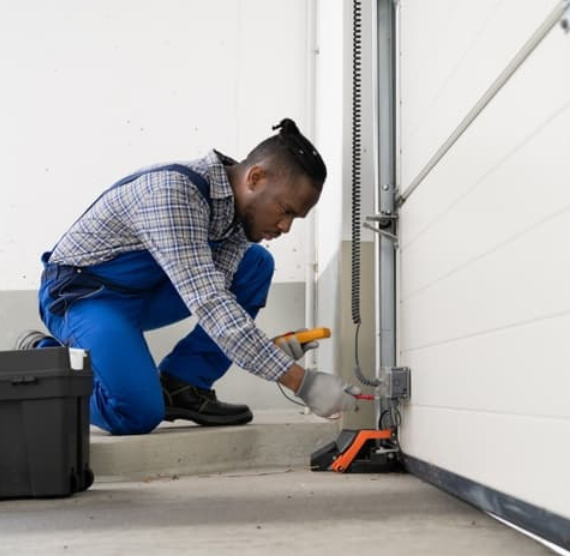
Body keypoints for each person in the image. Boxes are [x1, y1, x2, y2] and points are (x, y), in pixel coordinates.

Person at [21, 119, 360, 435]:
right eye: (285, 211)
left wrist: (267, 350)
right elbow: (210, 304)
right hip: (85, 297)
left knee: (255, 263)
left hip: (144, 293)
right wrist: (303, 383)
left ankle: (183, 384)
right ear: (255, 178)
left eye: (295, 219)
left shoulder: (239, 215)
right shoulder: (174, 194)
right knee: (135, 412)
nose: (286, 227)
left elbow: (221, 300)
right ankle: (44, 359)